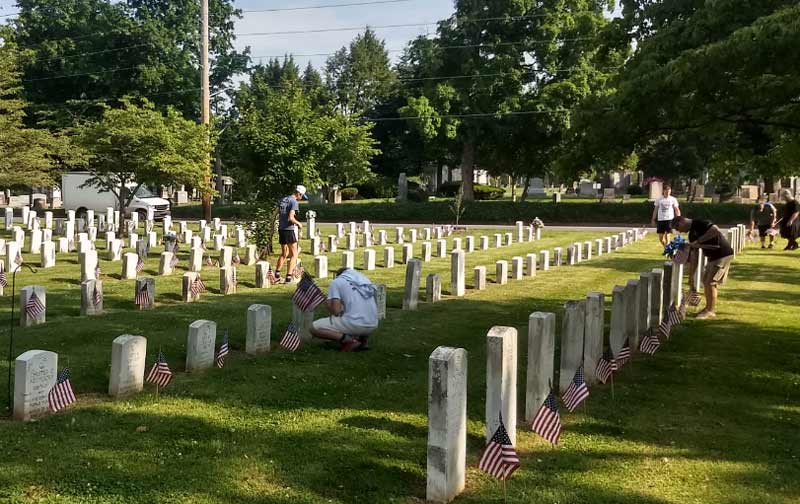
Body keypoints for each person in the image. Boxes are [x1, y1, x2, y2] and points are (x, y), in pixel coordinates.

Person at [672, 216, 734, 319]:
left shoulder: (700, 223)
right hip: (713, 257)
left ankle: (710, 311)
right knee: (706, 281)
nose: (681, 232)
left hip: (722, 254)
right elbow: (694, 256)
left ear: (681, 222)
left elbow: (715, 230)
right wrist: (691, 276)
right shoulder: (691, 235)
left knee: (710, 282)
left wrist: (699, 241)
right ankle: (708, 308)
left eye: (679, 229)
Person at [310, 268, 379, 352]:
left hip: (355, 324)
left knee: (313, 327)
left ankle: (348, 341)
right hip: (373, 323)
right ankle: (363, 340)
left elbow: (336, 311)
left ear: (338, 275)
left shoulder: (337, 282)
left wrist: (328, 303)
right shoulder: (365, 281)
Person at [274, 185, 307, 283]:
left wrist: (272, 229)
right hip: (289, 229)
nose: (301, 199)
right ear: (299, 194)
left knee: (284, 253)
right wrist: (299, 224)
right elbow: (291, 218)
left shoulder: (283, 200)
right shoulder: (294, 202)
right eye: (302, 196)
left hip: (281, 229)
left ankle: (277, 274)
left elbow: (274, 215)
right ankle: (289, 277)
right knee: (294, 254)